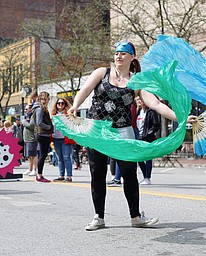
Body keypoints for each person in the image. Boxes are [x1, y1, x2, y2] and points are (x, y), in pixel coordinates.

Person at [68, 41, 196, 230]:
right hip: (98, 131)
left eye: (123, 53)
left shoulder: (136, 81)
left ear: (132, 57)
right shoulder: (101, 73)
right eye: (116, 53)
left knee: (129, 174)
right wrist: (75, 106)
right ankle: (98, 217)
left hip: (123, 131)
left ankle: (135, 217)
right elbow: (85, 90)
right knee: (97, 173)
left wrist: (182, 117)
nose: (118, 56)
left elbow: (156, 104)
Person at [136, 96, 161, 185]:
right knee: (139, 158)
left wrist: (148, 133)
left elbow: (156, 124)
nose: (138, 101)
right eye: (137, 99)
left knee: (148, 158)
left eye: (140, 99)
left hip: (148, 138)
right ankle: (144, 177)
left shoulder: (151, 111)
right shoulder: (138, 112)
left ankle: (147, 178)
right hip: (139, 138)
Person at [51, 97, 74, 182]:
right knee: (59, 158)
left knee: (66, 157)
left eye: (62, 103)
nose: (60, 105)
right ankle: (61, 175)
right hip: (56, 138)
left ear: (65, 105)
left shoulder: (68, 114)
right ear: (56, 105)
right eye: (58, 103)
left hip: (65, 139)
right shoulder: (53, 115)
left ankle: (69, 176)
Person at [32, 91, 53, 183]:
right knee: (42, 155)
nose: (49, 100)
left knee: (42, 155)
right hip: (42, 134)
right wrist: (48, 127)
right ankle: (39, 175)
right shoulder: (40, 109)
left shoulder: (41, 108)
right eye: (48, 98)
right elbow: (39, 122)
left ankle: (39, 174)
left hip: (43, 134)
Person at [22, 104, 38, 176]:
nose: (25, 111)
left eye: (26, 109)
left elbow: (31, 125)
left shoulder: (32, 116)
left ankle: (35, 170)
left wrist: (24, 122)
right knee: (29, 156)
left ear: (30, 109)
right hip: (27, 139)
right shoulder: (27, 116)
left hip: (32, 138)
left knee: (33, 155)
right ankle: (30, 169)